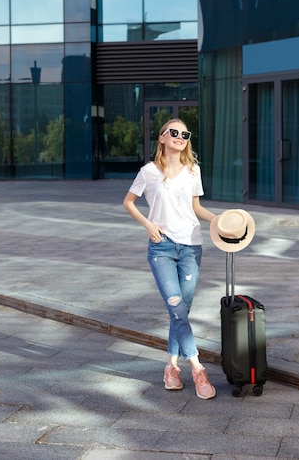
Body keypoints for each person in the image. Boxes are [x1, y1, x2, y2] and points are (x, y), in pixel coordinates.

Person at [123, 118, 217, 399]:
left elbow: (195, 207)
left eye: (184, 134)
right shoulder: (149, 172)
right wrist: (148, 224)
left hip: (191, 247)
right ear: (162, 138)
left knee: (181, 313)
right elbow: (128, 201)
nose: (179, 137)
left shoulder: (193, 170)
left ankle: (171, 367)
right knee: (177, 308)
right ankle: (198, 368)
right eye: (173, 132)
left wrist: (218, 219)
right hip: (161, 247)